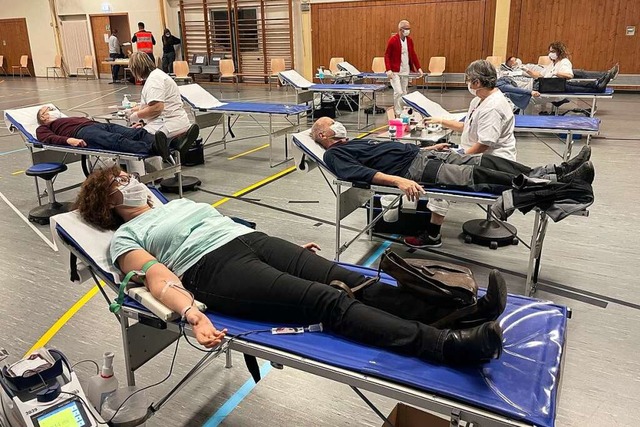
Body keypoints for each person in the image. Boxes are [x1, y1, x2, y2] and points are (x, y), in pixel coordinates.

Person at [74, 165, 509, 366]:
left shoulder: (180, 202)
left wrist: (292, 253)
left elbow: (225, 223)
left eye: (125, 176)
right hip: (214, 270)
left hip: (252, 242)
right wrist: (190, 313)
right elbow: (156, 275)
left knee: (352, 279)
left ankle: (464, 313)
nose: (130, 181)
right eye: (118, 183)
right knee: (327, 301)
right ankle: (445, 345)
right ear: (108, 205)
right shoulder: (125, 237)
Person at [311, 116, 595, 242]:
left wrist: (427, 147)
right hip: (419, 172)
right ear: (324, 136)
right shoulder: (334, 155)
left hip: (425, 157)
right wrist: (398, 182)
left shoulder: (355, 141)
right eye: (329, 124)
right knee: (482, 175)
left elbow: (390, 151)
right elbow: (362, 174)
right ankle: (570, 187)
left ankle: (557, 171)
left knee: (492, 160)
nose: (336, 124)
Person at [416, 59, 519, 247]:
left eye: (468, 80)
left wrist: (456, 158)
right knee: (442, 160)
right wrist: (440, 120)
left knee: (440, 175)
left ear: (477, 83)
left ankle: (432, 235)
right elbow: (467, 126)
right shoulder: (480, 100)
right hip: (475, 153)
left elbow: (482, 145)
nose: (467, 83)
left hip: (491, 161)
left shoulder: (493, 107)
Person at [35, 106, 171, 161]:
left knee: (135, 133)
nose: (54, 110)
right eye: (49, 110)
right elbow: (47, 138)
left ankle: (171, 144)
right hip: (82, 132)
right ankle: (153, 148)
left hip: (97, 125)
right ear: (43, 117)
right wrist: (69, 140)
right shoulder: (45, 126)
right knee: (115, 140)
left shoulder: (65, 119)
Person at [127, 52, 194, 140]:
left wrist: (136, 116)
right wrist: (132, 110)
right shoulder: (157, 75)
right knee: (138, 131)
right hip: (175, 121)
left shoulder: (154, 80)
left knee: (133, 138)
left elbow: (157, 108)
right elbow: (152, 104)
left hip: (167, 123)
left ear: (136, 69)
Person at [524, 42, 614, 93]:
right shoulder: (552, 64)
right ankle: (597, 84)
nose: (550, 54)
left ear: (559, 52)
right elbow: (540, 75)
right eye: (550, 51)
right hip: (550, 85)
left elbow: (569, 75)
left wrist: (556, 73)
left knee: (573, 85)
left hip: (558, 85)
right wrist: (527, 71)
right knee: (574, 85)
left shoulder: (564, 62)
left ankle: (598, 84)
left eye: (553, 51)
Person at [384, 20, 424, 116]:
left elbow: (413, 54)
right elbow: (387, 55)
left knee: (404, 91)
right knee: (398, 91)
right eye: (406, 28)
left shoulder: (409, 41)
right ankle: (398, 111)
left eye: (409, 29)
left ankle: (404, 111)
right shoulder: (393, 40)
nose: (408, 30)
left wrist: (418, 68)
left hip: (405, 69)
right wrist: (388, 69)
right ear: (401, 29)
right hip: (395, 71)